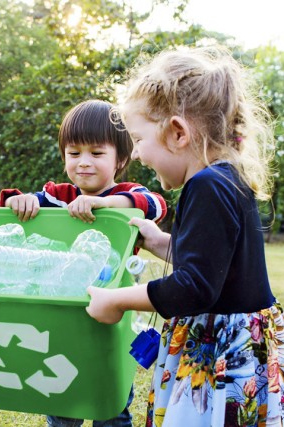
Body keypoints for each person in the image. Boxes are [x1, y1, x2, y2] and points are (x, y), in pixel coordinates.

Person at [86, 46, 284, 427]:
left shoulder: (206, 185)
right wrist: (158, 240)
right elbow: (214, 264)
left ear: (177, 132)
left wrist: (117, 300)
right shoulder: (228, 176)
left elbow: (195, 287)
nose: (139, 154)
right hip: (242, 344)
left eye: (139, 139)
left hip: (220, 354)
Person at [0, 99, 167, 427]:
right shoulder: (58, 195)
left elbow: (154, 204)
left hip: (113, 315)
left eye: (96, 153)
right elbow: (21, 206)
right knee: (63, 394)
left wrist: (105, 202)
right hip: (61, 312)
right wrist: (22, 200)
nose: (84, 163)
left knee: (111, 399)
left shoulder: (126, 192)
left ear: (120, 158)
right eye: (74, 153)